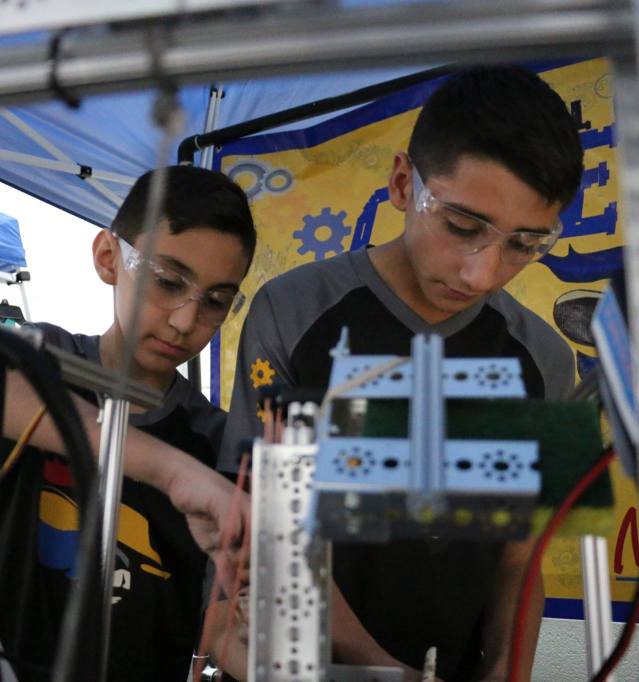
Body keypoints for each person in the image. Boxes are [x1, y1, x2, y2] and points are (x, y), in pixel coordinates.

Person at [220, 66, 584, 681]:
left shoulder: (546, 361)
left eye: (524, 245)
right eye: (463, 228)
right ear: (400, 183)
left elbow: (519, 561)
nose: (482, 274)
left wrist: (507, 670)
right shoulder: (294, 313)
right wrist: (386, 671)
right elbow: (267, 534)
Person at [0, 165, 257, 681]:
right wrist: (170, 471)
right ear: (110, 258)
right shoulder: (46, 357)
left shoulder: (214, 441)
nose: (183, 319)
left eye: (215, 301)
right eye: (168, 281)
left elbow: (221, 622)